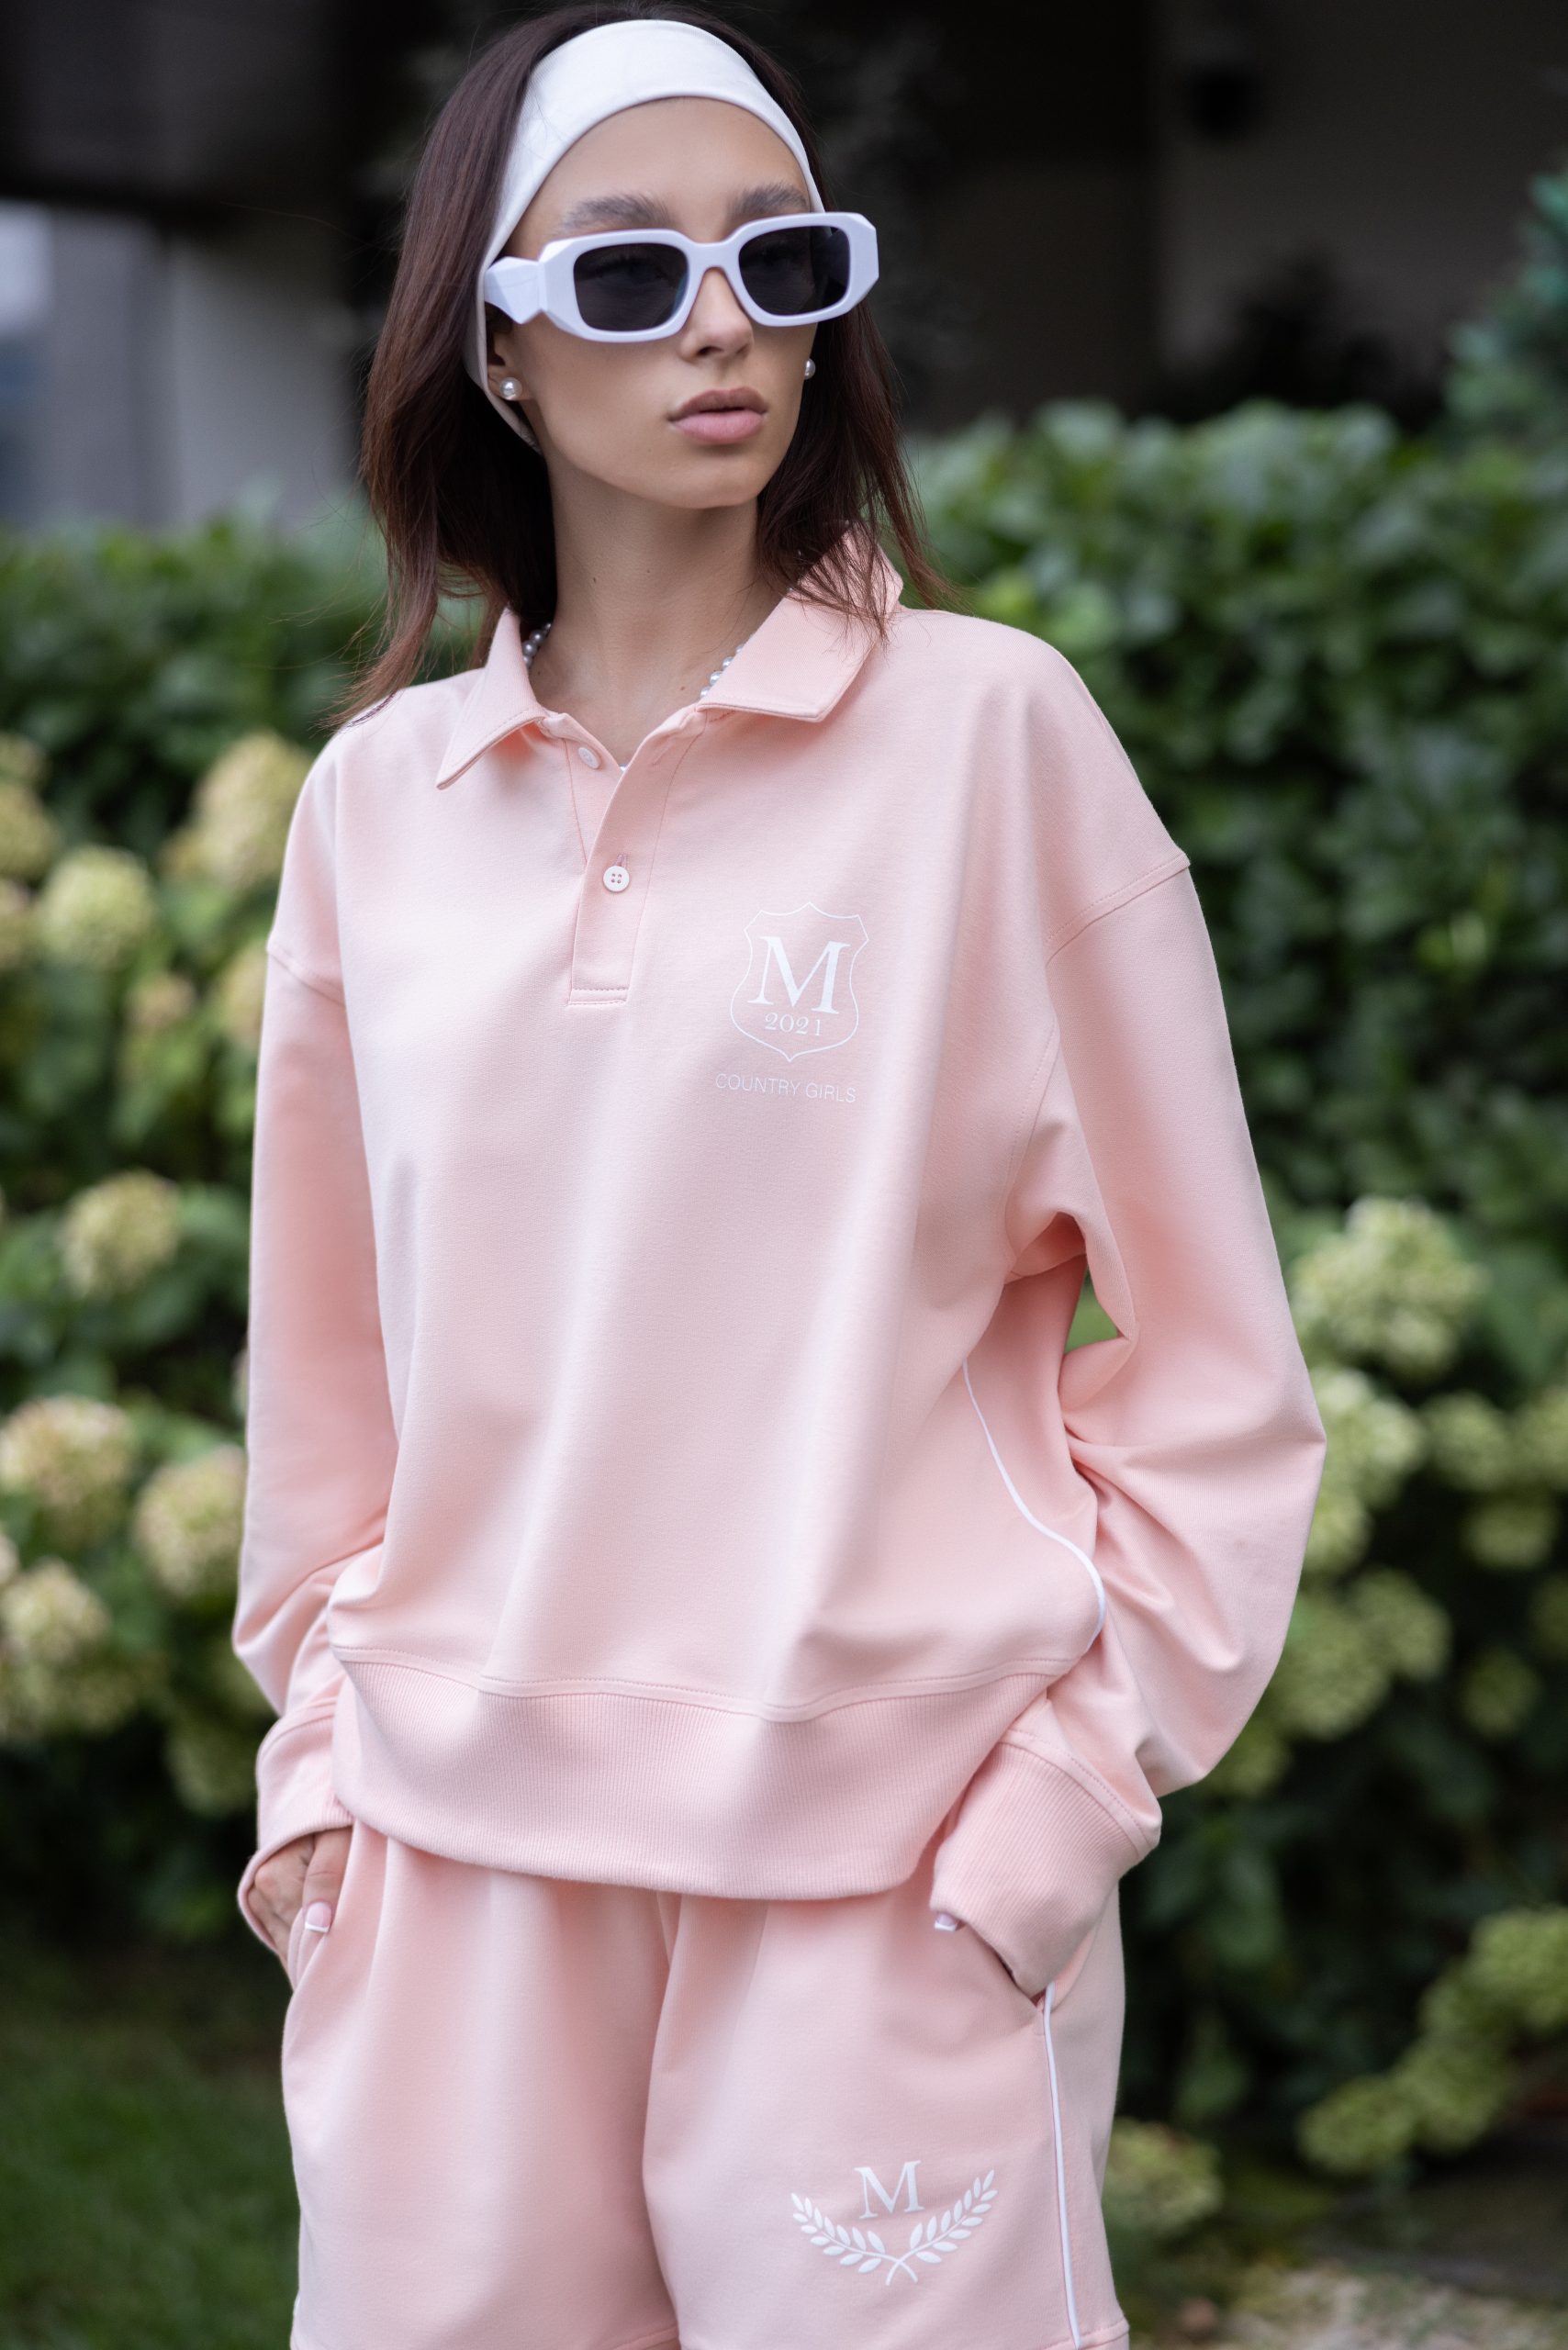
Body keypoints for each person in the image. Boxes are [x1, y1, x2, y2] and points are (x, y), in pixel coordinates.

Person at [229, 7, 1328, 2347]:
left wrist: (1056, 1799)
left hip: (883, 1879)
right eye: (630, 273)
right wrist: (319, 1771)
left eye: (781, 260)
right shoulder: (375, 811)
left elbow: (1221, 1380)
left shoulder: (993, 741)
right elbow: (327, 1385)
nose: (721, 323)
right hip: (450, 1879)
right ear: (497, 346)